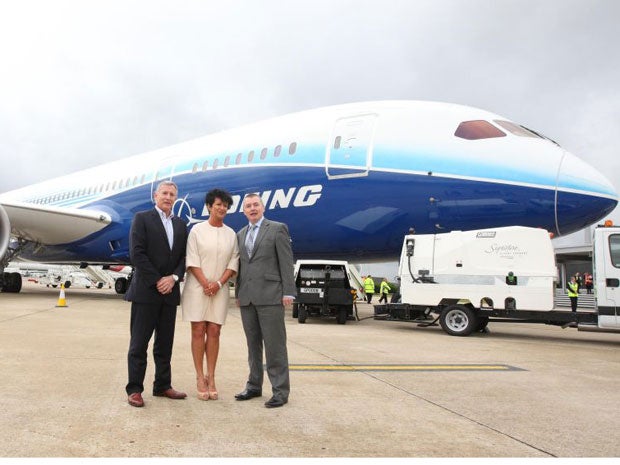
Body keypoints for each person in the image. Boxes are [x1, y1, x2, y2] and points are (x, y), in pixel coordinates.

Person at [125, 180, 188, 408]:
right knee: (139, 344)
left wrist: (172, 278)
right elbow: (137, 254)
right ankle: (134, 389)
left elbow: (183, 257)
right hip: (146, 292)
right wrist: (158, 280)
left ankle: (162, 385)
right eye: (164, 193)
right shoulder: (142, 219)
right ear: (155, 195)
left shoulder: (180, 224)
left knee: (165, 344)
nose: (168, 197)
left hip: (169, 293)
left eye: (172, 194)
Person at [234, 193, 296, 408]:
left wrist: (289, 291)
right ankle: (253, 385)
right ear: (244, 211)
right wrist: (239, 293)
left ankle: (280, 391)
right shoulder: (240, 234)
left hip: (271, 295)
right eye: (248, 206)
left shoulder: (277, 228)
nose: (252, 209)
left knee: (275, 346)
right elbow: (242, 267)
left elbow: (286, 262)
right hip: (248, 298)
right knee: (253, 346)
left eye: (255, 205)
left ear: (263, 207)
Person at [181, 189, 239, 401]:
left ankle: (211, 377)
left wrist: (218, 283)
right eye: (218, 205)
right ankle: (199, 377)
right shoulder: (197, 231)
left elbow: (233, 262)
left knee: (214, 331)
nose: (222, 208)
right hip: (197, 287)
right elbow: (192, 259)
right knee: (198, 330)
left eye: (225, 205)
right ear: (209, 207)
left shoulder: (231, 234)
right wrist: (206, 283)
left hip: (220, 289)